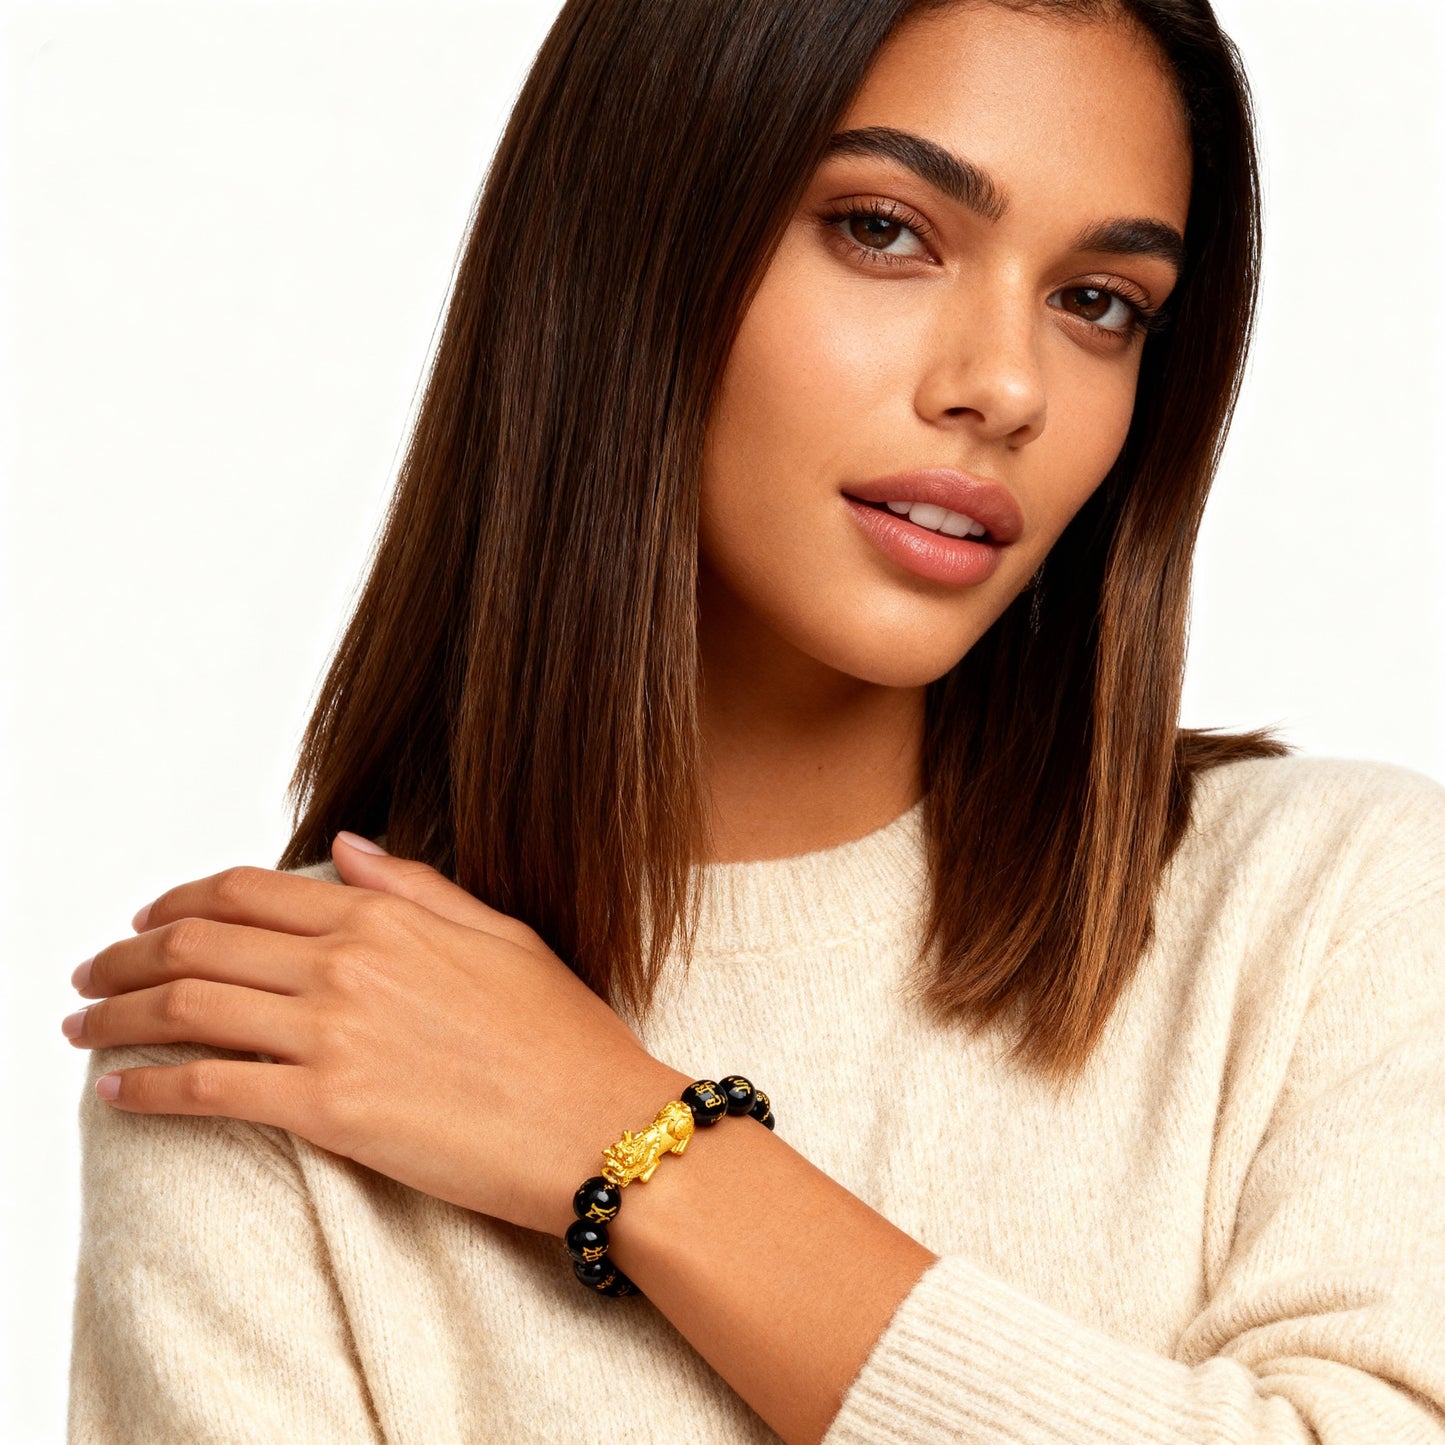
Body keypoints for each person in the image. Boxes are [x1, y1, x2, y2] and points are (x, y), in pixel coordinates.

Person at [64, 1, 1445, 1441]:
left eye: (1097, 301)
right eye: (883, 229)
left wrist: (641, 1149)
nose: (1007, 387)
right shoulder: (288, 1047)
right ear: (632, 240)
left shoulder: (1333, 913)